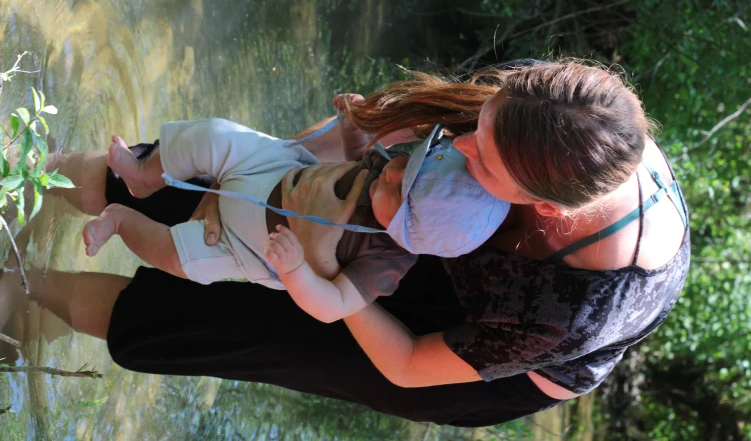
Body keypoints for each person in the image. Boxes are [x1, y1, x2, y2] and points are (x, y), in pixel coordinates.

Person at [9, 59, 689, 427]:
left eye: (479, 161)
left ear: (540, 205)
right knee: (215, 178)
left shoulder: (569, 311)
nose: (455, 147)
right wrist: (296, 162)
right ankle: (17, 180)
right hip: (435, 220)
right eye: (474, 126)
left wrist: (315, 264)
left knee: (213, 318)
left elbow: (407, 362)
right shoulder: (555, 114)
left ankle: (17, 293)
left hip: (452, 346)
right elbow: (375, 137)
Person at [80, 116, 508, 323]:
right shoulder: (386, 170)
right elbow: (357, 157)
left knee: (182, 259)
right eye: (408, 163)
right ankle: (141, 176)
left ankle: (118, 220)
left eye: (401, 189)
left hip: (247, 245)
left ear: (409, 232)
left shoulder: (386, 262)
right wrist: (352, 129)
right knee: (213, 135)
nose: (391, 172)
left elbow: (332, 306)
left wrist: (298, 268)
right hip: (270, 170)